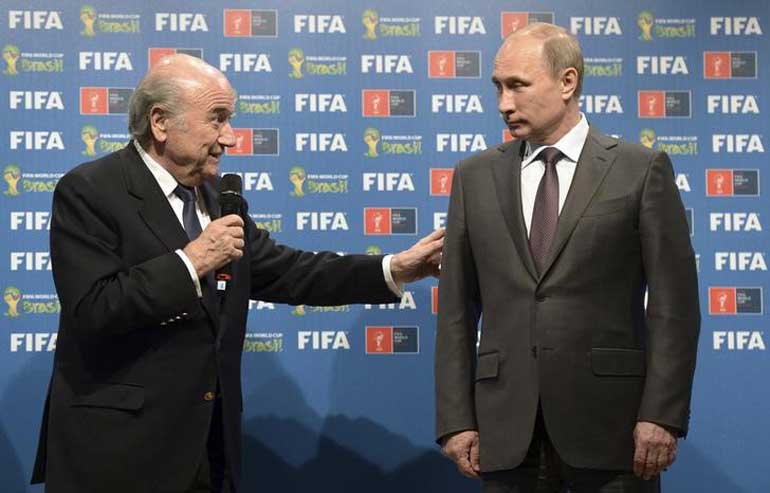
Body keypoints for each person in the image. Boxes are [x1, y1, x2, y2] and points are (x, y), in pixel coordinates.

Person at [31, 54, 444, 493]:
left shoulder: (215, 200)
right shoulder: (91, 190)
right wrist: (191, 262)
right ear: (160, 122)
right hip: (118, 456)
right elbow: (94, 308)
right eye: (217, 119)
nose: (230, 137)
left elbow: (289, 271)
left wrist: (392, 268)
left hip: (208, 453)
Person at [435, 23, 699, 492]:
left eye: (518, 85)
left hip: (612, 432)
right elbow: (456, 311)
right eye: (497, 87)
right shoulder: (473, 177)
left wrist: (661, 415)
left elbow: (674, 307)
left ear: (568, 81)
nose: (503, 104)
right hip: (506, 433)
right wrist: (456, 421)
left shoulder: (640, 170)